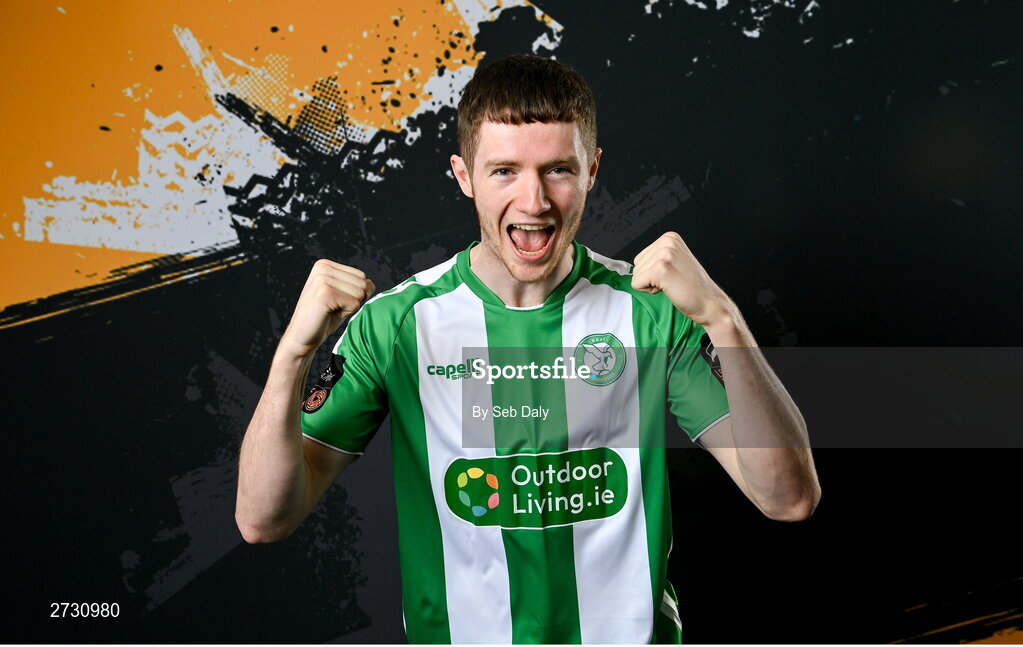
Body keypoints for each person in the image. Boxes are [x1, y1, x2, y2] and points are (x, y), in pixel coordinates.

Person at [236, 54, 821, 644]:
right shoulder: (398, 324)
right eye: (504, 171)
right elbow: (264, 519)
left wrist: (725, 319)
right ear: (464, 176)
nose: (534, 201)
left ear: (592, 170)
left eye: (558, 170)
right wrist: (291, 356)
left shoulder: (649, 311)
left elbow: (788, 498)